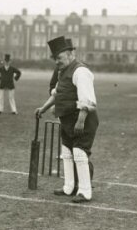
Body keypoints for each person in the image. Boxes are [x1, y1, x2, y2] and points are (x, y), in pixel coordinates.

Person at [35, 36, 98, 203]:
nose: (56, 62)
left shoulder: (80, 71)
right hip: (67, 119)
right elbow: (57, 94)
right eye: (55, 59)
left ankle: (85, 192)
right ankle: (69, 187)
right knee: (67, 153)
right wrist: (43, 108)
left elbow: (87, 99)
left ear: (70, 55)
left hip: (82, 119)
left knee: (79, 153)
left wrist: (81, 120)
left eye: (59, 58)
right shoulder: (63, 72)